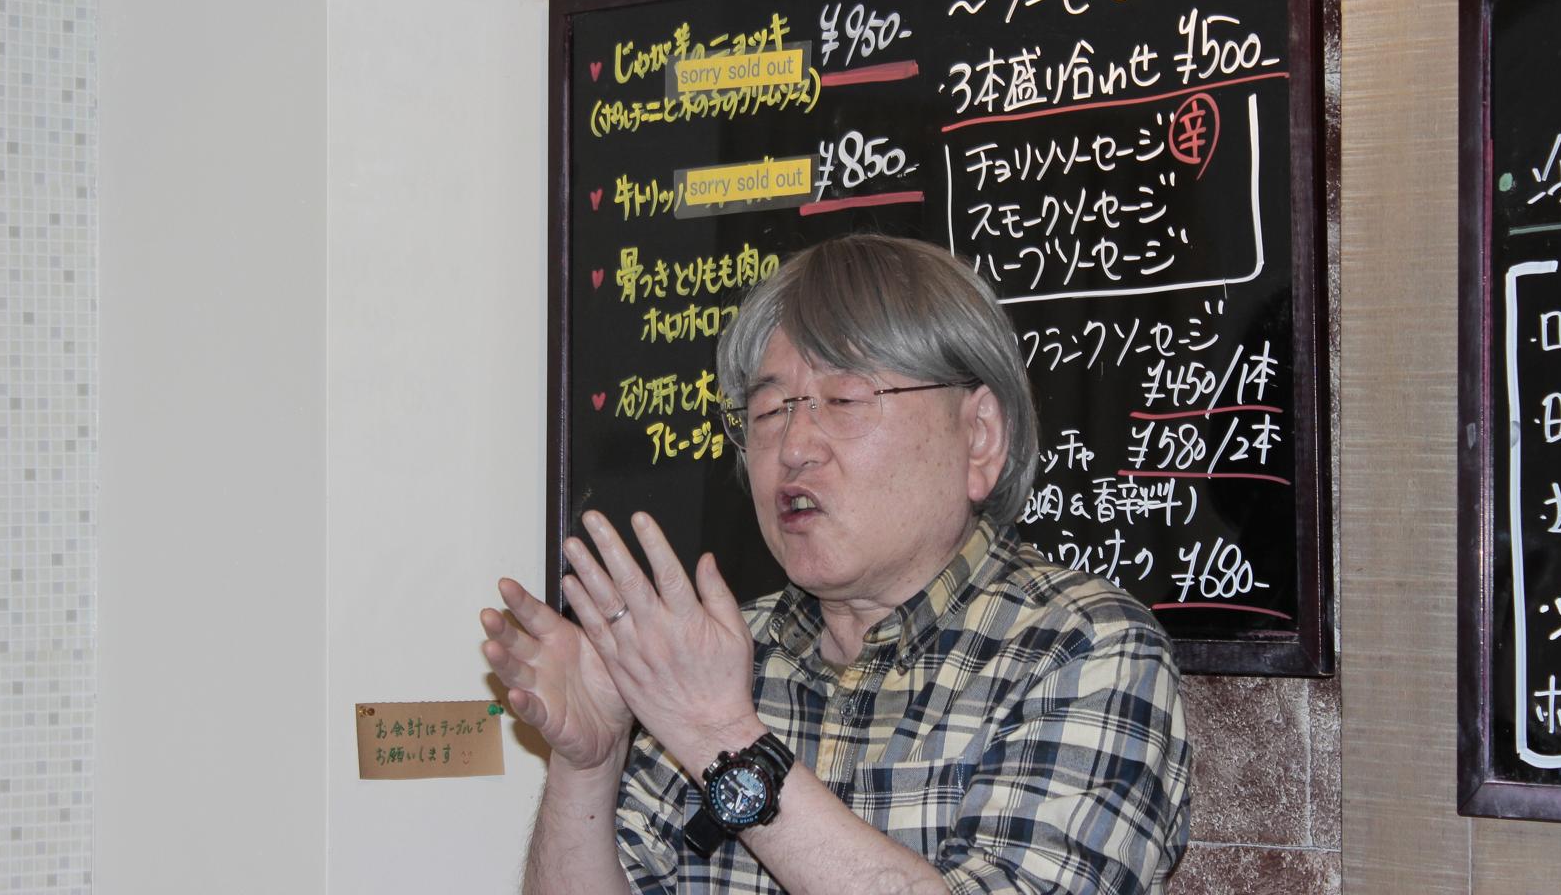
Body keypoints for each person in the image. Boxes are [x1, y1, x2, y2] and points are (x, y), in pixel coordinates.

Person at [481, 233, 1191, 894]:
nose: (793, 448)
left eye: (846, 399)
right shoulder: (725, 656)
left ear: (978, 437)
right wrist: (589, 764)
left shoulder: (1083, 648)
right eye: (769, 411)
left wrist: (723, 738)